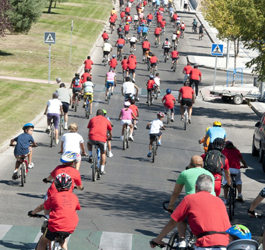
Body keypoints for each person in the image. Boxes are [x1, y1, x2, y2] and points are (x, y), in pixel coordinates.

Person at [150, 174, 231, 249]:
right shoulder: (219, 201)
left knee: (180, 217)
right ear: (211, 189)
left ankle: (182, 241)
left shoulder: (189, 199)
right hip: (225, 244)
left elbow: (173, 221)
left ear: (196, 187)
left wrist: (158, 239)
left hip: (205, 244)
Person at [28, 173, 81, 250]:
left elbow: (42, 207)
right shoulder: (74, 197)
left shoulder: (54, 196)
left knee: (43, 240)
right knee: (63, 239)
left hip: (55, 226)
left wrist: (32, 213)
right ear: (70, 185)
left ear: (56, 185)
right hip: (70, 226)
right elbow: (74, 209)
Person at [87, 109, 113, 174]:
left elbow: (89, 129)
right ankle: (102, 169)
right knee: (103, 153)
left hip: (92, 138)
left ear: (96, 114)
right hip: (102, 139)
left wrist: (89, 136)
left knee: (88, 142)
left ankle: (90, 155)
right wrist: (110, 137)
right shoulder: (106, 120)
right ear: (103, 115)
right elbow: (110, 131)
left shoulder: (92, 119)